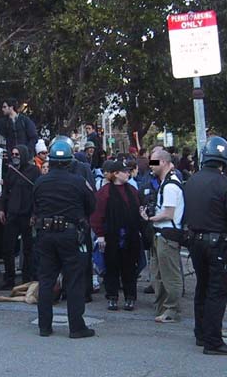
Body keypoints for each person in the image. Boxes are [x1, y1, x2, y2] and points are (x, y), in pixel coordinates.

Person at [184, 136, 227, 355]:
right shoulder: (226, 185)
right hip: (218, 244)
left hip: (195, 241)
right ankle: (213, 340)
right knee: (216, 291)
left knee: (202, 287)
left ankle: (201, 333)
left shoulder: (191, 181)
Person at [33, 136, 96, 338]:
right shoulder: (78, 182)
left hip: (45, 235)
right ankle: (76, 327)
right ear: (70, 161)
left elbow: (35, 206)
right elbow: (91, 206)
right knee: (74, 281)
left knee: (46, 280)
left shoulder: (40, 182)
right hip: (70, 235)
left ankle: (44, 326)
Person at [90, 158, 141, 311]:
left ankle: (130, 297)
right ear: (116, 174)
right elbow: (96, 215)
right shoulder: (104, 193)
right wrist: (100, 235)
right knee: (111, 267)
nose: (128, 174)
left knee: (130, 267)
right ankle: (112, 297)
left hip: (130, 235)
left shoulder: (132, 191)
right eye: (125, 172)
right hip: (111, 235)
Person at [140, 149, 185, 323]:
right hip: (161, 234)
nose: (151, 166)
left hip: (167, 233)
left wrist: (150, 218)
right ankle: (163, 307)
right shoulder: (166, 183)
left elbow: (168, 213)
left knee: (168, 275)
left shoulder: (171, 185)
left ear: (164, 162)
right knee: (158, 273)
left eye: (154, 162)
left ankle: (171, 309)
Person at [0, 144, 40, 290]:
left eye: (17, 154)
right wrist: (2, 209)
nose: (14, 157)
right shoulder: (11, 171)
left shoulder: (34, 171)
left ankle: (27, 280)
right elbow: (5, 191)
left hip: (27, 214)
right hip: (12, 214)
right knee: (7, 248)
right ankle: (9, 280)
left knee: (28, 249)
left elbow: (37, 194)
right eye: (13, 154)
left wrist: (34, 213)